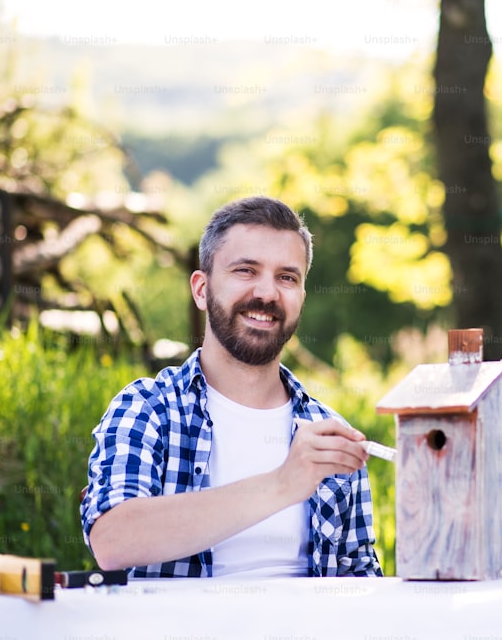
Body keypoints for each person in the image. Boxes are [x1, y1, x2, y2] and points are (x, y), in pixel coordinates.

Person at [80, 196, 382, 578]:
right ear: (202, 290)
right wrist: (282, 484)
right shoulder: (148, 409)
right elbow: (113, 540)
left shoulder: (327, 434)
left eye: (287, 278)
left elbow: (360, 579)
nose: (268, 293)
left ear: (301, 298)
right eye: (245, 270)